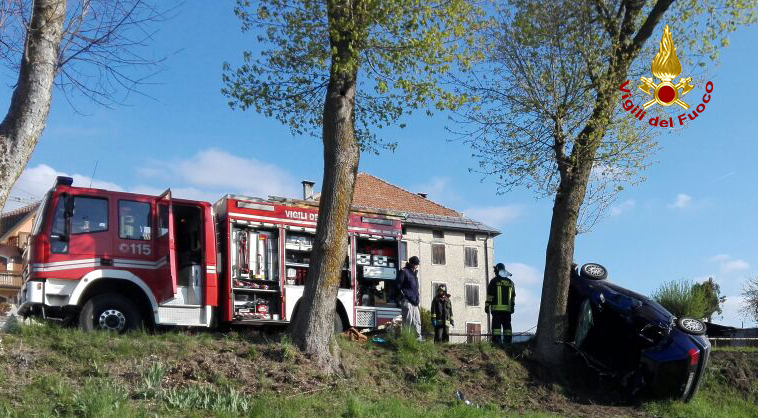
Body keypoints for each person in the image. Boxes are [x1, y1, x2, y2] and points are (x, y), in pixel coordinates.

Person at [486, 262, 515, 344]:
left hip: (497, 310)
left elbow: (490, 295)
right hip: (507, 310)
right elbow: (513, 296)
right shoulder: (510, 282)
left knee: (496, 327)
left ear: (498, 270)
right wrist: (512, 307)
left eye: (495, 270)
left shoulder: (494, 281)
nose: (494, 271)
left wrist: (487, 305)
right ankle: (508, 341)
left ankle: (497, 340)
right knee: (507, 326)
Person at [396, 256, 422, 340]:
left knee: (417, 321)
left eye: (417, 265)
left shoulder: (414, 274)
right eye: (415, 264)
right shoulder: (404, 272)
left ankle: (417, 339)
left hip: (415, 301)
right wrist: (403, 296)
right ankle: (407, 339)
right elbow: (398, 286)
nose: (416, 266)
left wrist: (417, 299)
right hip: (407, 300)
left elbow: (415, 288)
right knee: (408, 321)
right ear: (411, 263)